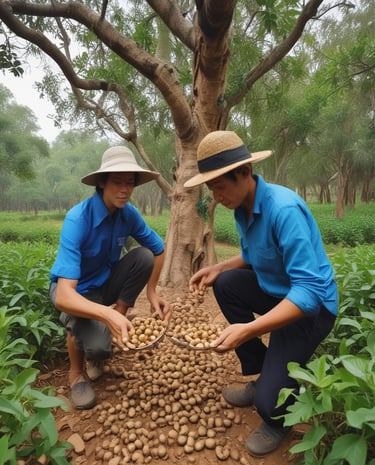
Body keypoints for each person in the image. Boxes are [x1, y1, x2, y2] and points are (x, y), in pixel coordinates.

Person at [184, 131, 338, 457]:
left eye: (220, 187)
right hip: (278, 293)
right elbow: (256, 257)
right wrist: (220, 267)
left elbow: (309, 292)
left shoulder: (283, 210)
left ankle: (276, 418)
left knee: (268, 405)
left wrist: (251, 329)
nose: (216, 197)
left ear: (244, 174)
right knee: (226, 284)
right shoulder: (242, 207)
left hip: (310, 309)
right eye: (211, 189)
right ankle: (266, 370)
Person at [50, 146, 170, 410]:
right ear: (102, 182)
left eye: (130, 183)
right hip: (75, 291)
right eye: (117, 182)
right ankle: (76, 373)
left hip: (105, 282)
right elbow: (63, 294)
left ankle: (116, 321)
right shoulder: (78, 219)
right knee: (100, 345)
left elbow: (158, 249)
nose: (125, 190)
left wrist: (152, 293)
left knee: (143, 257)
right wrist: (106, 315)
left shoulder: (128, 214)